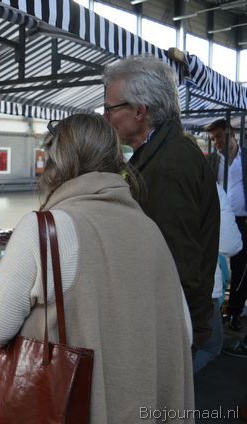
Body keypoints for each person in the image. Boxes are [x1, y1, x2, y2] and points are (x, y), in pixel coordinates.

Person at [0, 114, 194, 424]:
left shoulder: (45, 229)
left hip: (76, 407)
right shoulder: (150, 229)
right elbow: (183, 331)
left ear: (56, 162)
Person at [103, 55, 220, 351]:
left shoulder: (168, 166)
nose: (106, 117)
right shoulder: (164, 152)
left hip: (166, 328)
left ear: (139, 111)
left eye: (110, 108)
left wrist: (180, 334)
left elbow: (178, 261)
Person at [193, 183, 242, 373]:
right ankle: (174, 385)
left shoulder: (145, 178)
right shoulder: (210, 187)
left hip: (157, 281)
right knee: (209, 346)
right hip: (202, 284)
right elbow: (231, 244)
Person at [206, 119, 247, 331]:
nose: (216, 142)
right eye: (213, 139)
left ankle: (234, 312)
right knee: (217, 263)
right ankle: (216, 307)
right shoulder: (212, 161)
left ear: (231, 133)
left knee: (242, 267)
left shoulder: (244, 158)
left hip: (241, 219)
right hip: (218, 218)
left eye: (219, 136)